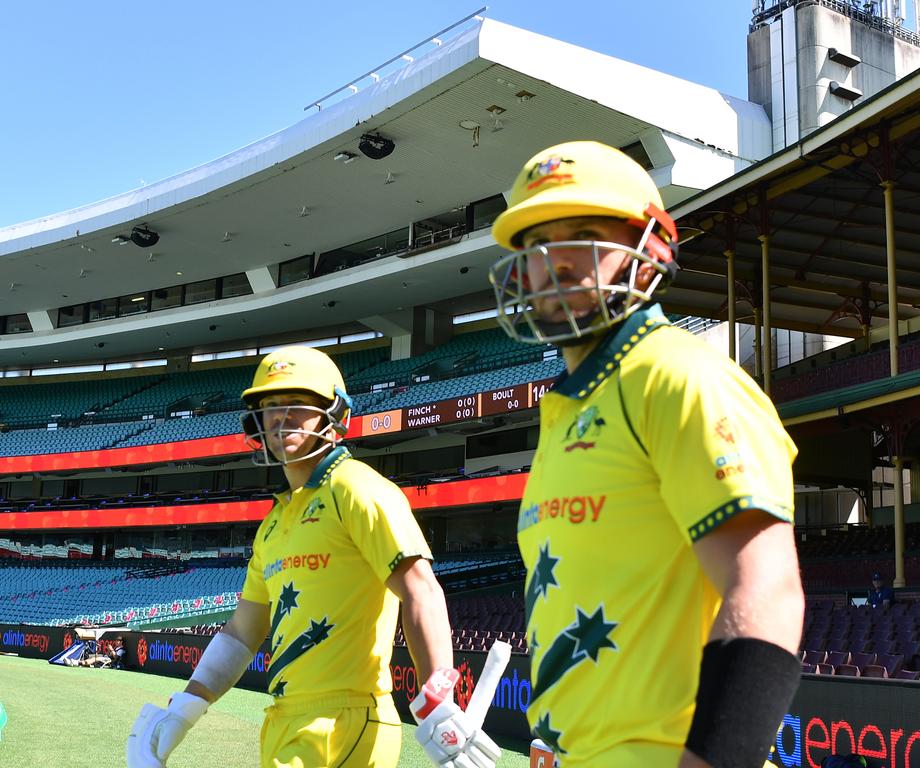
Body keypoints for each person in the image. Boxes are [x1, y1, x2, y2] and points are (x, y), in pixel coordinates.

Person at [488, 141, 805, 768]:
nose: (552, 261)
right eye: (533, 244)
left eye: (582, 234)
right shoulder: (567, 409)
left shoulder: (678, 375)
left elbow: (767, 592)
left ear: (649, 251)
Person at [127, 346, 499, 768]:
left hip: (346, 720)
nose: (281, 417)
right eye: (269, 406)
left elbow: (421, 590)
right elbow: (241, 633)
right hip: (284, 718)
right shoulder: (274, 523)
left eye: (297, 405)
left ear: (333, 415)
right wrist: (186, 708)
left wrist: (440, 698)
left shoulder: (358, 488)